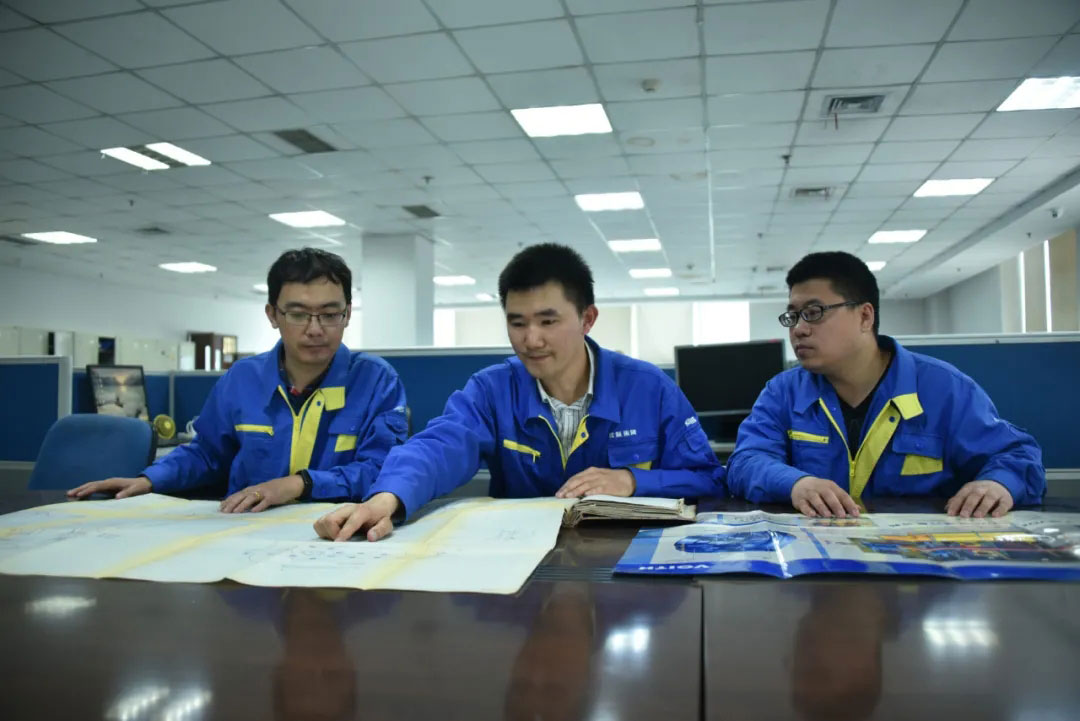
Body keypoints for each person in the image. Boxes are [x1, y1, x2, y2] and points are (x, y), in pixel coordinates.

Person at [314, 243, 722, 542]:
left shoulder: (649, 389)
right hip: (522, 568)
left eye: (548, 321)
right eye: (517, 323)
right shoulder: (492, 390)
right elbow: (439, 446)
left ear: (587, 319)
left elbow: (708, 478)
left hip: (624, 561)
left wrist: (632, 481)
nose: (531, 340)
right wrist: (388, 497)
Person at [68, 248, 408, 512]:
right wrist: (149, 480)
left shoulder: (376, 381)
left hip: (340, 538)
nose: (315, 329)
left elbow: (381, 470)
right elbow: (207, 455)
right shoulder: (242, 379)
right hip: (246, 532)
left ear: (347, 315)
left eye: (330, 314)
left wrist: (297, 484)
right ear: (272, 315)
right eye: (298, 314)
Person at [726, 251, 1044, 519]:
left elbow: (1016, 455)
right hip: (816, 560)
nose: (799, 329)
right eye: (793, 316)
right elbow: (746, 462)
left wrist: (997, 484)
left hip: (916, 561)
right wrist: (796, 484)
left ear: (865, 317)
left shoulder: (943, 389)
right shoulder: (783, 392)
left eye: (813, 313)